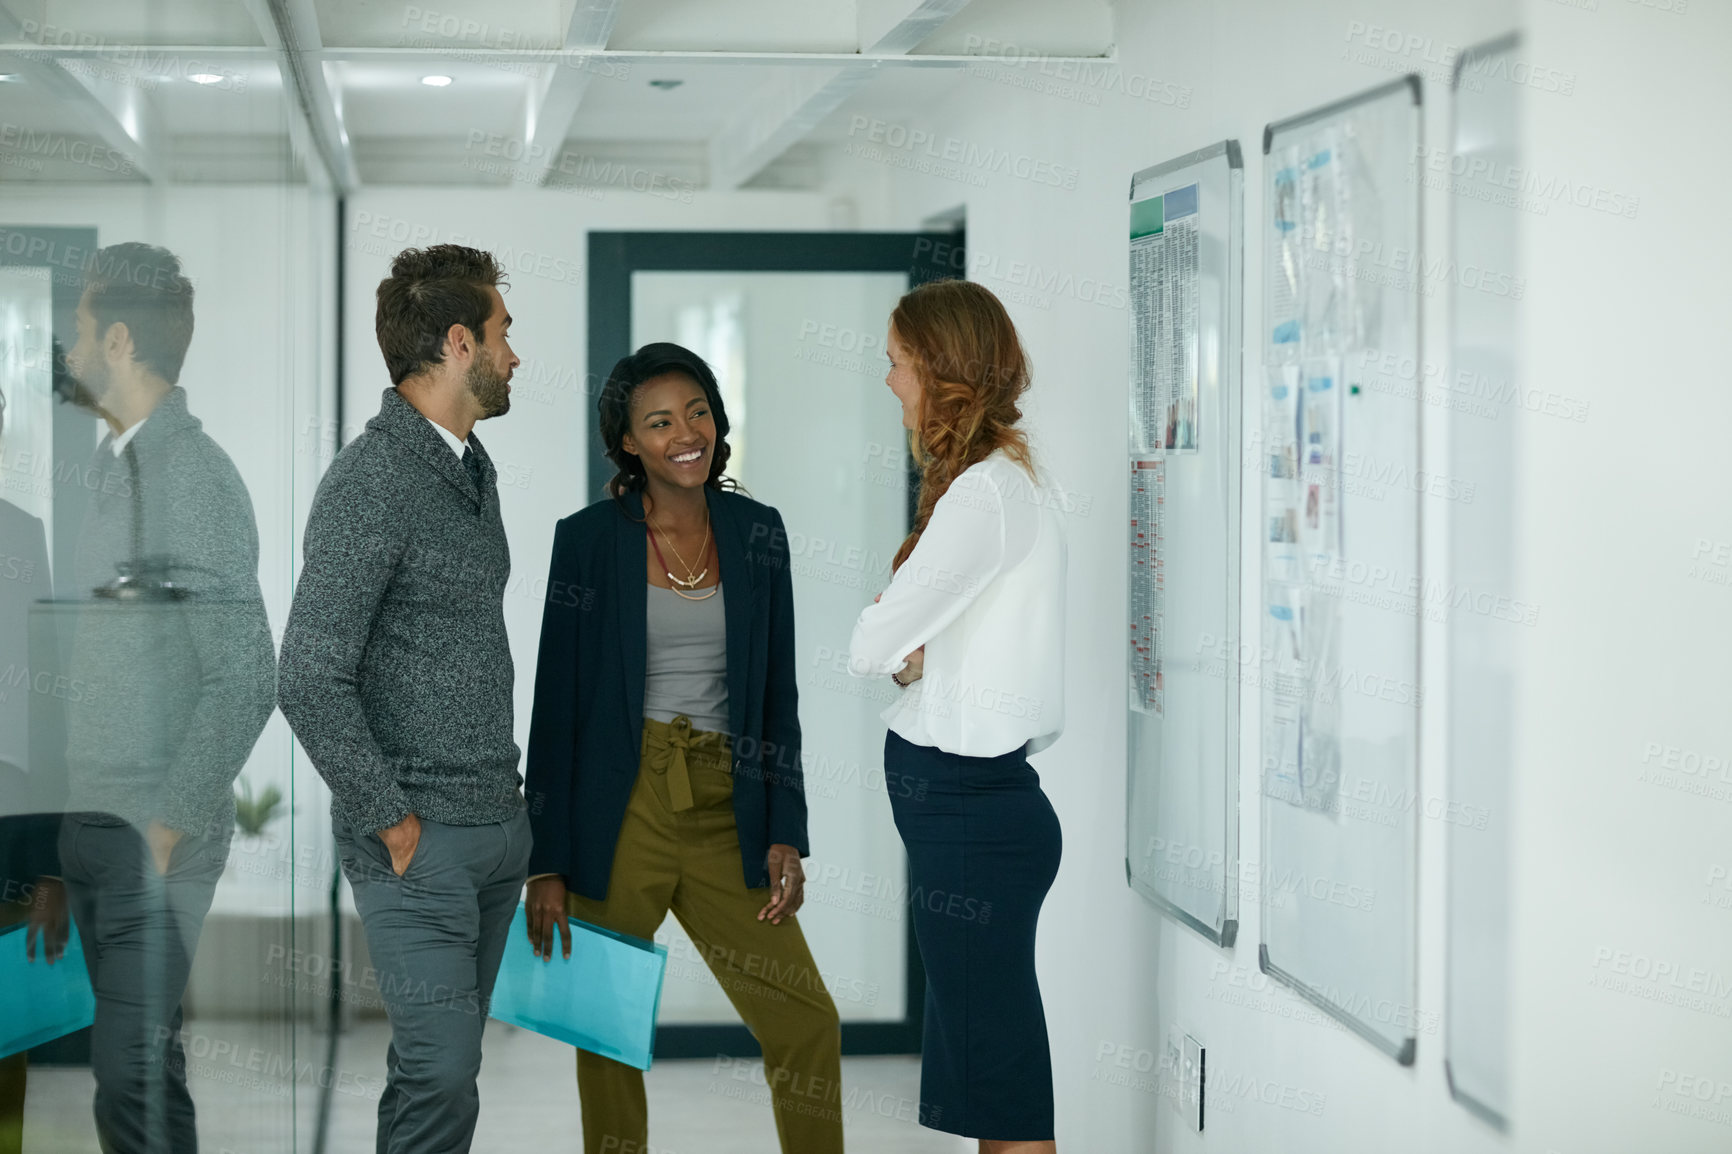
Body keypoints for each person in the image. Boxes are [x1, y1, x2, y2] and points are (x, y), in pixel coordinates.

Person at [523, 342, 843, 1154]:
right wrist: (546, 861)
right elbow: (555, 703)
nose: (684, 433)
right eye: (659, 422)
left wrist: (785, 830)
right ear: (629, 442)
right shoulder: (588, 541)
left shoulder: (757, 531)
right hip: (618, 804)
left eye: (696, 412)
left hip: (726, 808)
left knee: (806, 1021)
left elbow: (778, 695)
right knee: (606, 1034)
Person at [277, 245, 529, 1153]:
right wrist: (391, 820)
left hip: (495, 827)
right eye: (504, 334)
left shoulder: (470, 467)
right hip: (419, 841)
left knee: (434, 1076)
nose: (515, 354)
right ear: (459, 343)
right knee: (441, 1075)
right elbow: (306, 673)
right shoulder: (370, 481)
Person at [35, 242, 276, 1153]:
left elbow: (248, 672)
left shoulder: (195, 479)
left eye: (82, 331)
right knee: (143, 1069)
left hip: (151, 834)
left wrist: (169, 820)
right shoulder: (110, 468)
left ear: (121, 341)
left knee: (126, 1079)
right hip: (93, 824)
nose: (70, 350)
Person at [847, 280, 1067, 1153]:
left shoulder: (982, 495)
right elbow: (913, 640)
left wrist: (902, 642)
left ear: (940, 373)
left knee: (1000, 1087)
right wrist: (914, 647)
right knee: (992, 1077)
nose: (890, 381)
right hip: (978, 816)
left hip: (974, 820)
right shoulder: (1006, 483)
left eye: (897, 363)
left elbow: (872, 640)